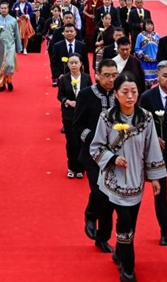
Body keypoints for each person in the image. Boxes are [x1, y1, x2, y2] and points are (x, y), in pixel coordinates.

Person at [90, 73, 166, 282]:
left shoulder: (147, 118)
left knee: (131, 223)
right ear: (116, 94)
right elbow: (96, 147)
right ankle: (128, 267)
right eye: (125, 92)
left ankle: (119, 252)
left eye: (134, 91)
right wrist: (113, 159)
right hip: (113, 182)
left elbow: (152, 149)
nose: (130, 96)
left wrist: (156, 178)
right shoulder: (106, 118)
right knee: (124, 221)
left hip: (136, 180)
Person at [72, 59, 118, 254]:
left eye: (114, 75)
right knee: (100, 192)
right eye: (106, 75)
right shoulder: (86, 95)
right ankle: (90, 214)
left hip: (116, 155)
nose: (110, 79)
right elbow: (77, 126)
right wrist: (94, 138)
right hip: (92, 155)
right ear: (97, 75)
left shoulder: (122, 93)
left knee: (111, 199)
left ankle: (102, 237)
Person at [138, 61, 167, 246]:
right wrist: (153, 137)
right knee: (160, 193)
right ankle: (165, 231)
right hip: (157, 153)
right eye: (165, 76)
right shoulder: (148, 97)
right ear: (157, 77)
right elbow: (141, 123)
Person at [58, 54, 92, 179]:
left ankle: (81, 168)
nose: (73, 65)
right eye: (71, 63)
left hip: (83, 115)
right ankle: (71, 167)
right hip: (69, 115)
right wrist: (68, 101)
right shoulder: (64, 79)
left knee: (82, 142)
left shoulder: (87, 78)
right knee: (72, 142)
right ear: (68, 64)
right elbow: (60, 95)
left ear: (80, 64)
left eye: (76, 63)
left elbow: (90, 93)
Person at [0, 0, 22, 92]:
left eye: (5, 8)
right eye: (2, 8)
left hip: (10, 45)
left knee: (9, 64)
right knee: (0, 66)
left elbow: (17, 34)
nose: (3, 10)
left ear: (8, 9)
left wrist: (18, 46)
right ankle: (2, 83)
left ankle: (9, 80)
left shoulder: (13, 20)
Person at [133, 19, 159, 89]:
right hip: (145, 62)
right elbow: (137, 49)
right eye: (147, 25)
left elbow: (160, 47)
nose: (149, 26)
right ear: (144, 26)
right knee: (144, 81)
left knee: (153, 83)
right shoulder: (140, 35)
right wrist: (143, 55)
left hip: (154, 62)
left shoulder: (156, 35)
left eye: (151, 24)